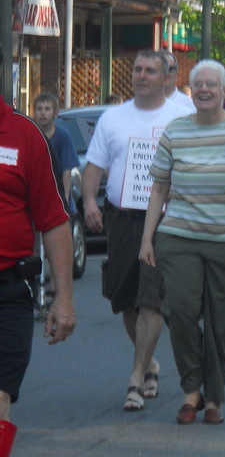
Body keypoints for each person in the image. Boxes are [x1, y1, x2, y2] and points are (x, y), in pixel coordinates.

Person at [139, 60, 225, 425]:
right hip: (181, 235)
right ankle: (190, 388)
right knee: (179, 310)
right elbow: (159, 187)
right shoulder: (176, 131)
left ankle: (212, 398)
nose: (203, 89)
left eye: (211, 84)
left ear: (224, 89)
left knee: (222, 324)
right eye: (197, 83)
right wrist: (147, 237)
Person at [82, 50, 192, 411]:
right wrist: (89, 203)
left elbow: (195, 162)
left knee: (151, 297)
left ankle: (135, 377)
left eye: (150, 71)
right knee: (126, 298)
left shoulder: (181, 116)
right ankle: (149, 363)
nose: (142, 76)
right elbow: (95, 167)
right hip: (122, 218)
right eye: (137, 70)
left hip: (165, 219)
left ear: (166, 78)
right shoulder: (113, 118)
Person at [0, 44, 76, 455]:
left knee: (0, 395)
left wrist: (64, 298)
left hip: (8, 288)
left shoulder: (24, 135)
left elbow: (52, 220)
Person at [32, 92, 80, 212]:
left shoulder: (62, 136)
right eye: (39, 109)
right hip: (36, 196)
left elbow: (66, 171)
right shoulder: (30, 136)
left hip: (58, 194)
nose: (43, 112)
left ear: (55, 113)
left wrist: (64, 200)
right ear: (34, 113)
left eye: (47, 109)